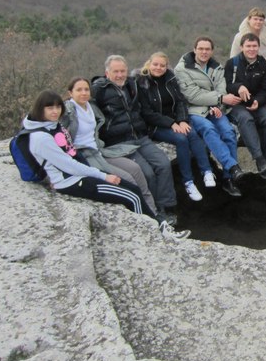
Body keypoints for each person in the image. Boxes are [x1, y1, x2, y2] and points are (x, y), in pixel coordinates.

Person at [22, 90, 189, 240]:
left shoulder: (54, 127)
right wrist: (103, 175)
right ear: (40, 109)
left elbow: (69, 154)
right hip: (73, 182)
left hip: (80, 174)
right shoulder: (41, 137)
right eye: (50, 108)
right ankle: (156, 234)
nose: (55, 111)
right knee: (131, 197)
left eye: (58, 107)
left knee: (134, 188)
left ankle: (159, 224)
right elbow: (68, 165)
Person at [92, 55, 181, 223]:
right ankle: (154, 211)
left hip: (140, 136)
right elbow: (83, 105)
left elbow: (153, 85)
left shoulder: (132, 84)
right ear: (107, 73)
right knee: (147, 173)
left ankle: (167, 207)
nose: (120, 75)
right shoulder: (99, 90)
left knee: (163, 163)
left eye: (123, 71)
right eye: (115, 71)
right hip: (120, 142)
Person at [61, 77, 160, 218]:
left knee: (135, 169)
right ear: (70, 93)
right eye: (79, 90)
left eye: (86, 89)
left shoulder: (91, 107)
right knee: (128, 179)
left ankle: (153, 212)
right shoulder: (68, 111)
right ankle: (144, 217)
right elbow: (57, 138)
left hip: (99, 151)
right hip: (85, 156)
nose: (83, 93)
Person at [136, 52, 215, 202]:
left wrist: (182, 120)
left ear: (167, 67)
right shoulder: (142, 83)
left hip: (175, 121)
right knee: (181, 139)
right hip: (155, 125)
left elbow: (180, 101)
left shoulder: (170, 79)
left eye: (162, 65)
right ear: (149, 64)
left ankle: (207, 171)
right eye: (155, 64)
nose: (158, 68)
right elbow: (146, 113)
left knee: (192, 133)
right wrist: (171, 123)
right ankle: (188, 182)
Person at [174, 37, 245, 198]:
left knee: (228, 132)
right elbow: (192, 95)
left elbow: (222, 89)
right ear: (194, 50)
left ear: (212, 51)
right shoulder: (182, 69)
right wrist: (219, 98)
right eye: (201, 49)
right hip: (194, 110)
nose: (204, 52)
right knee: (208, 128)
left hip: (214, 108)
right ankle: (233, 167)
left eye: (207, 49)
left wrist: (218, 105)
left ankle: (228, 179)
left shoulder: (217, 67)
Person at [224, 33, 266, 179]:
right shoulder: (232, 64)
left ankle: (265, 159)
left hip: (257, 103)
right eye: (248, 46)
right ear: (242, 47)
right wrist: (239, 87)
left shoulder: (263, 64)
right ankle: (259, 159)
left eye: (254, 46)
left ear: (259, 47)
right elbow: (226, 85)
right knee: (246, 119)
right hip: (237, 104)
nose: (251, 49)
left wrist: (258, 101)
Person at [230, 7, 266, 84]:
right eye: (255, 19)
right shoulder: (239, 37)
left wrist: (260, 63)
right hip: (246, 70)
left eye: (261, 20)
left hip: (264, 68)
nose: (258, 22)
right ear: (249, 20)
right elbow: (233, 57)